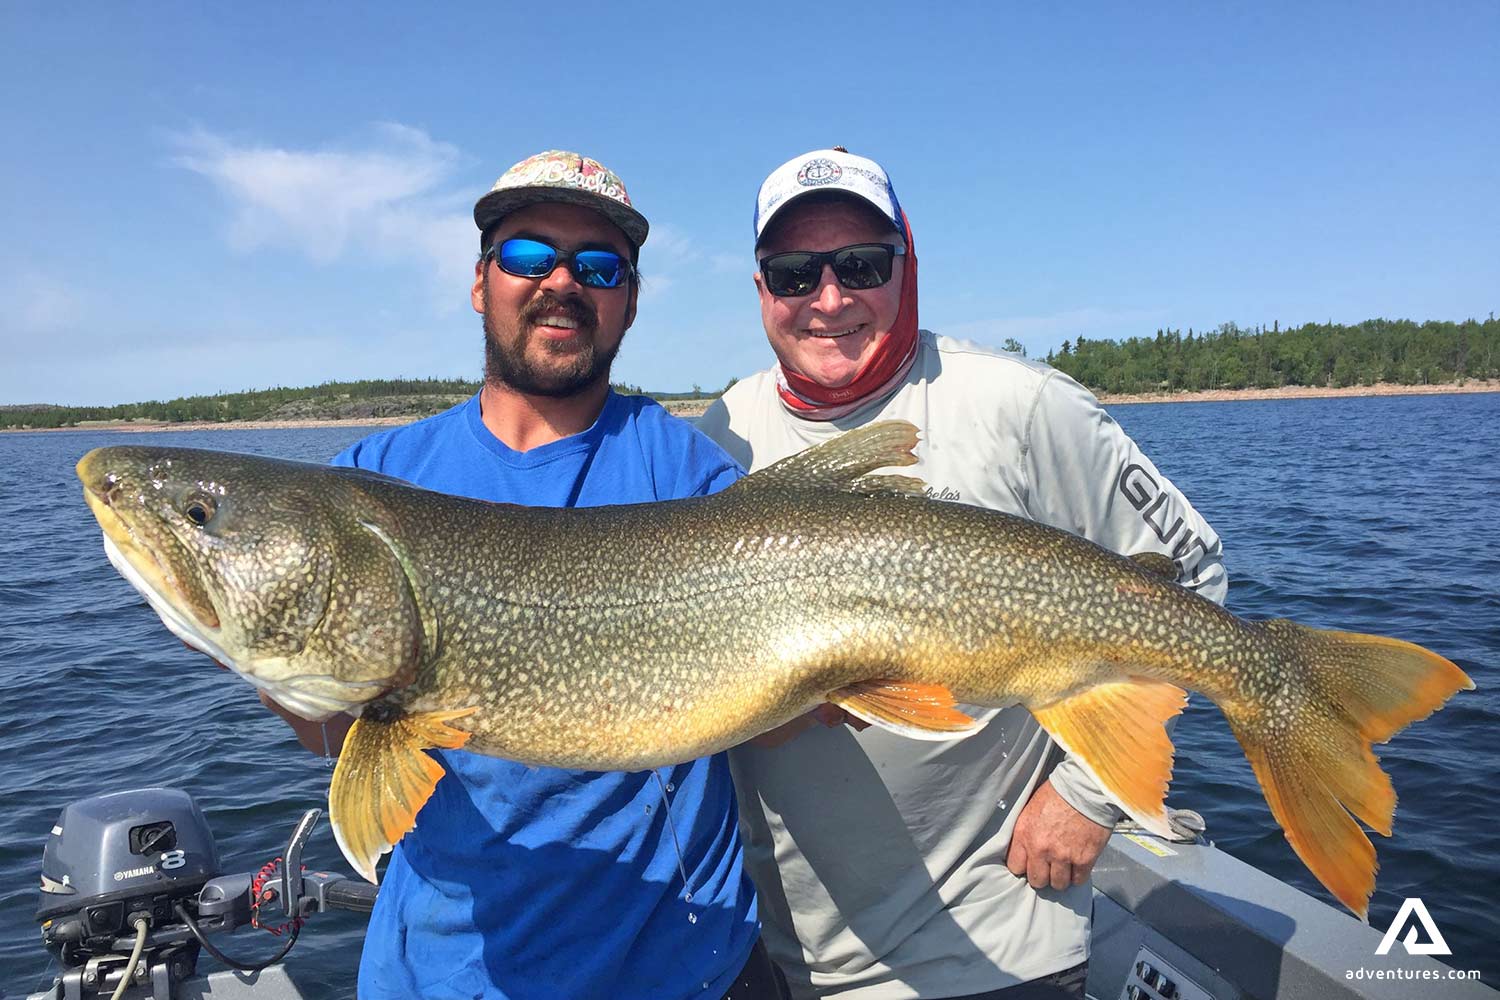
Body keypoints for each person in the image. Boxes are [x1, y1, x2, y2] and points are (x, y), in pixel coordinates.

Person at [698, 148, 1228, 1000]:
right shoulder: (723, 432)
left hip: (994, 944)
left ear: (907, 264)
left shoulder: (1019, 405)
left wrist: (1092, 798)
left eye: (860, 265)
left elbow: (1191, 578)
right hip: (782, 950)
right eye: (794, 273)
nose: (828, 299)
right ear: (762, 289)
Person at [260, 150, 774, 999]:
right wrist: (262, 651)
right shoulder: (375, 477)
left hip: (684, 968)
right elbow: (332, 732)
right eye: (529, 256)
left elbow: (763, 709)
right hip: (442, 972)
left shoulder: (689, 473)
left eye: (597, 265)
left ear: (630, 302)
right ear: (480, 282)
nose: (561, 282)